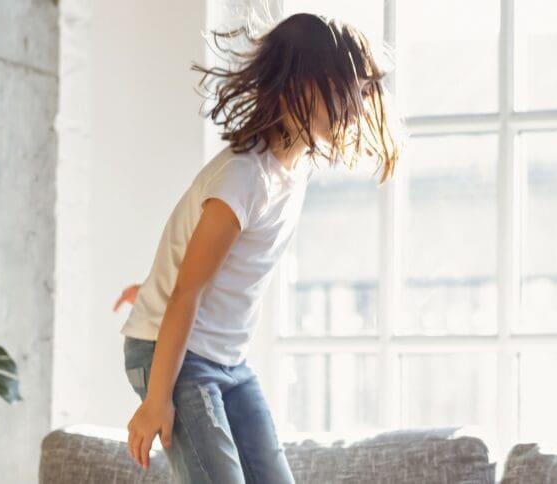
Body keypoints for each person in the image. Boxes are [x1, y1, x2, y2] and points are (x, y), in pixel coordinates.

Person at [112, 13, 401, 483]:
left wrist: (151, 287)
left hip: (228, 361)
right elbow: (187, 291)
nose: (354, 105)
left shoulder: (295, 169)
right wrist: (156, 399)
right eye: (341, 89)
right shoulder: (243, 179)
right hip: (174, 356)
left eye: (359, 91)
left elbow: (213, 267)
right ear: (295, 87)